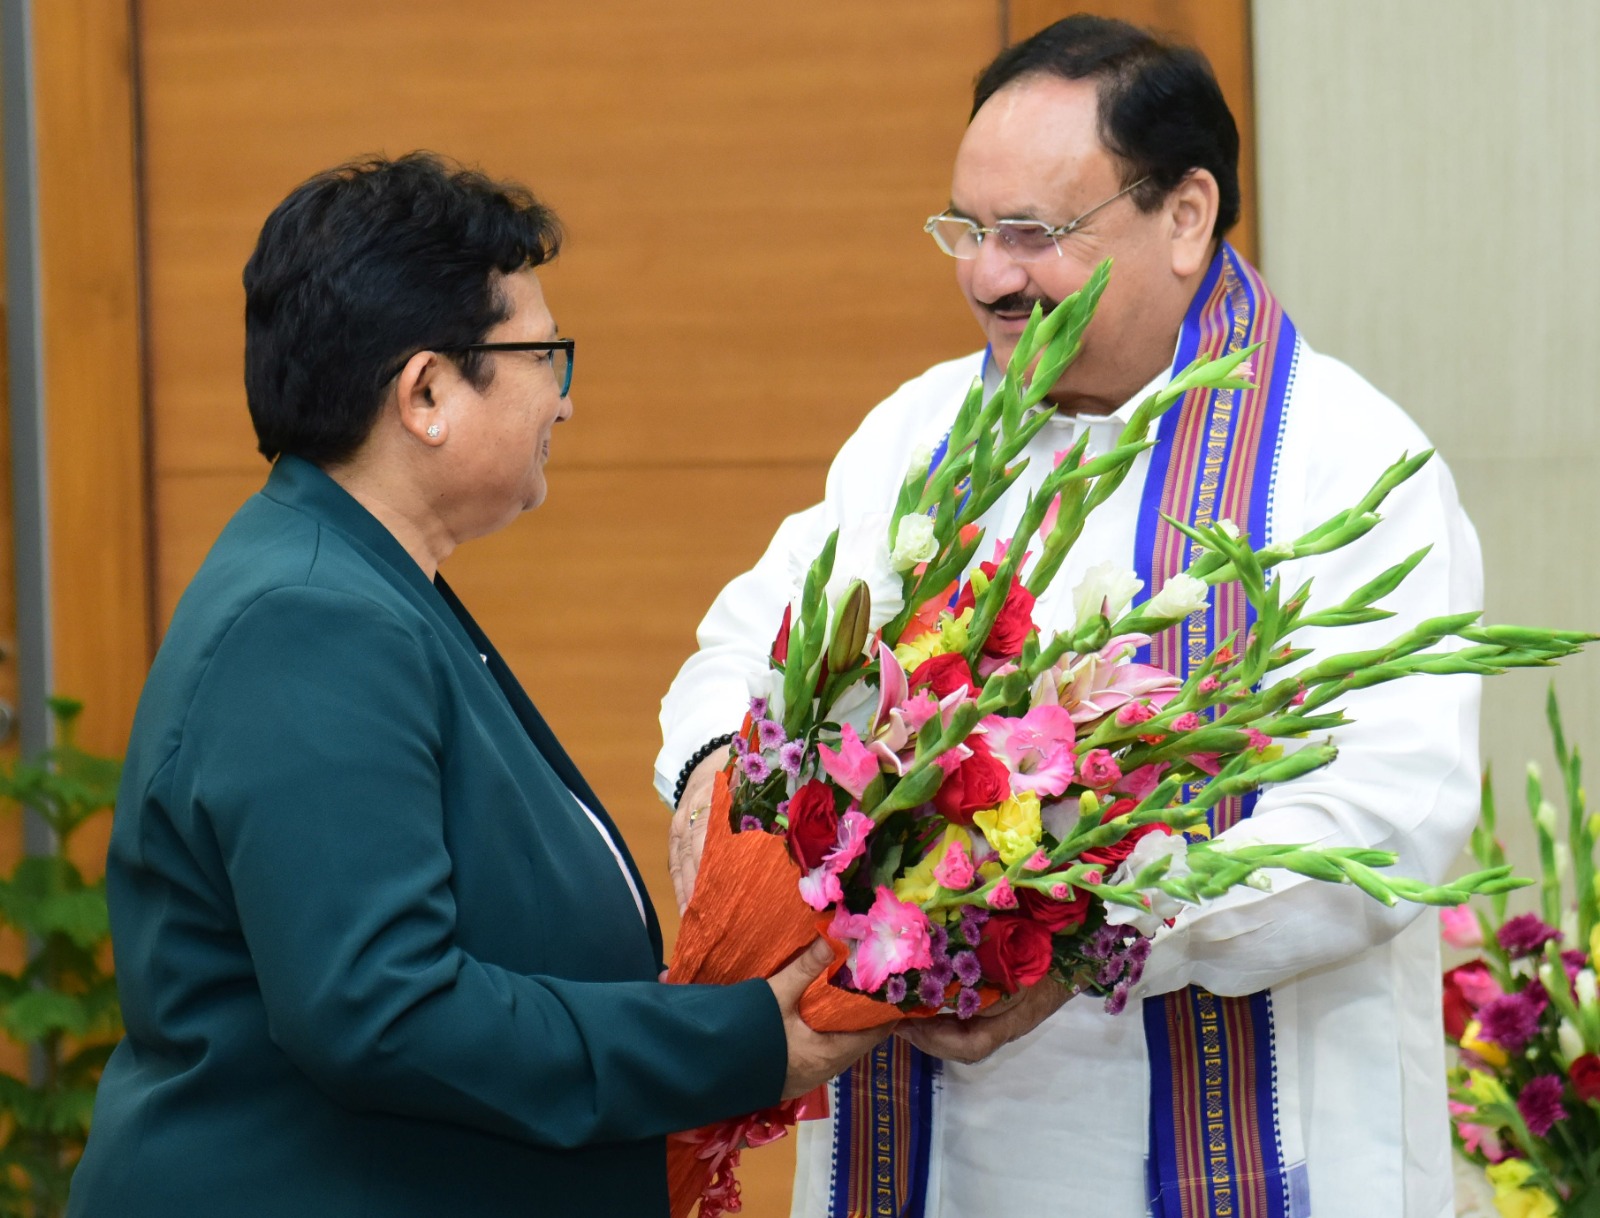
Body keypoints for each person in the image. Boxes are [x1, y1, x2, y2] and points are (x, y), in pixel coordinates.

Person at [657, 15, 1481, 1218]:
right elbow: (751, 643)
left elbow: (1390, 817)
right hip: (937, 1160)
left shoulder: (1348, 464)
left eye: (1034, 234)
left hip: (1254, 1149)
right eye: (967, 230)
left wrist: (1095, 929)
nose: (990, 276)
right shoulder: (918, 435)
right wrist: (716, 785)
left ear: (1186, 215)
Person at [68, 153, 887, 1218]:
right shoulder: (311, 619)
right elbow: (383, 1014)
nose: (566, 402)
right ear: (426, 394)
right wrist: (734, 1043)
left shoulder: (362, 583)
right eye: (544, 355)